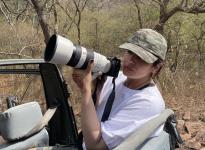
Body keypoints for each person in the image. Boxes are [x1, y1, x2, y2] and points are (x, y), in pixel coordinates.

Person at [72, 28, 167, 149]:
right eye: (130, 52)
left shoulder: (148, 102)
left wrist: (85, 90)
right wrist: (95, 90)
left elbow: (95, 146)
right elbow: (97, 118)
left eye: (141, 57)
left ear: (156, 67)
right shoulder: (118, 78)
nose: (131, 60)